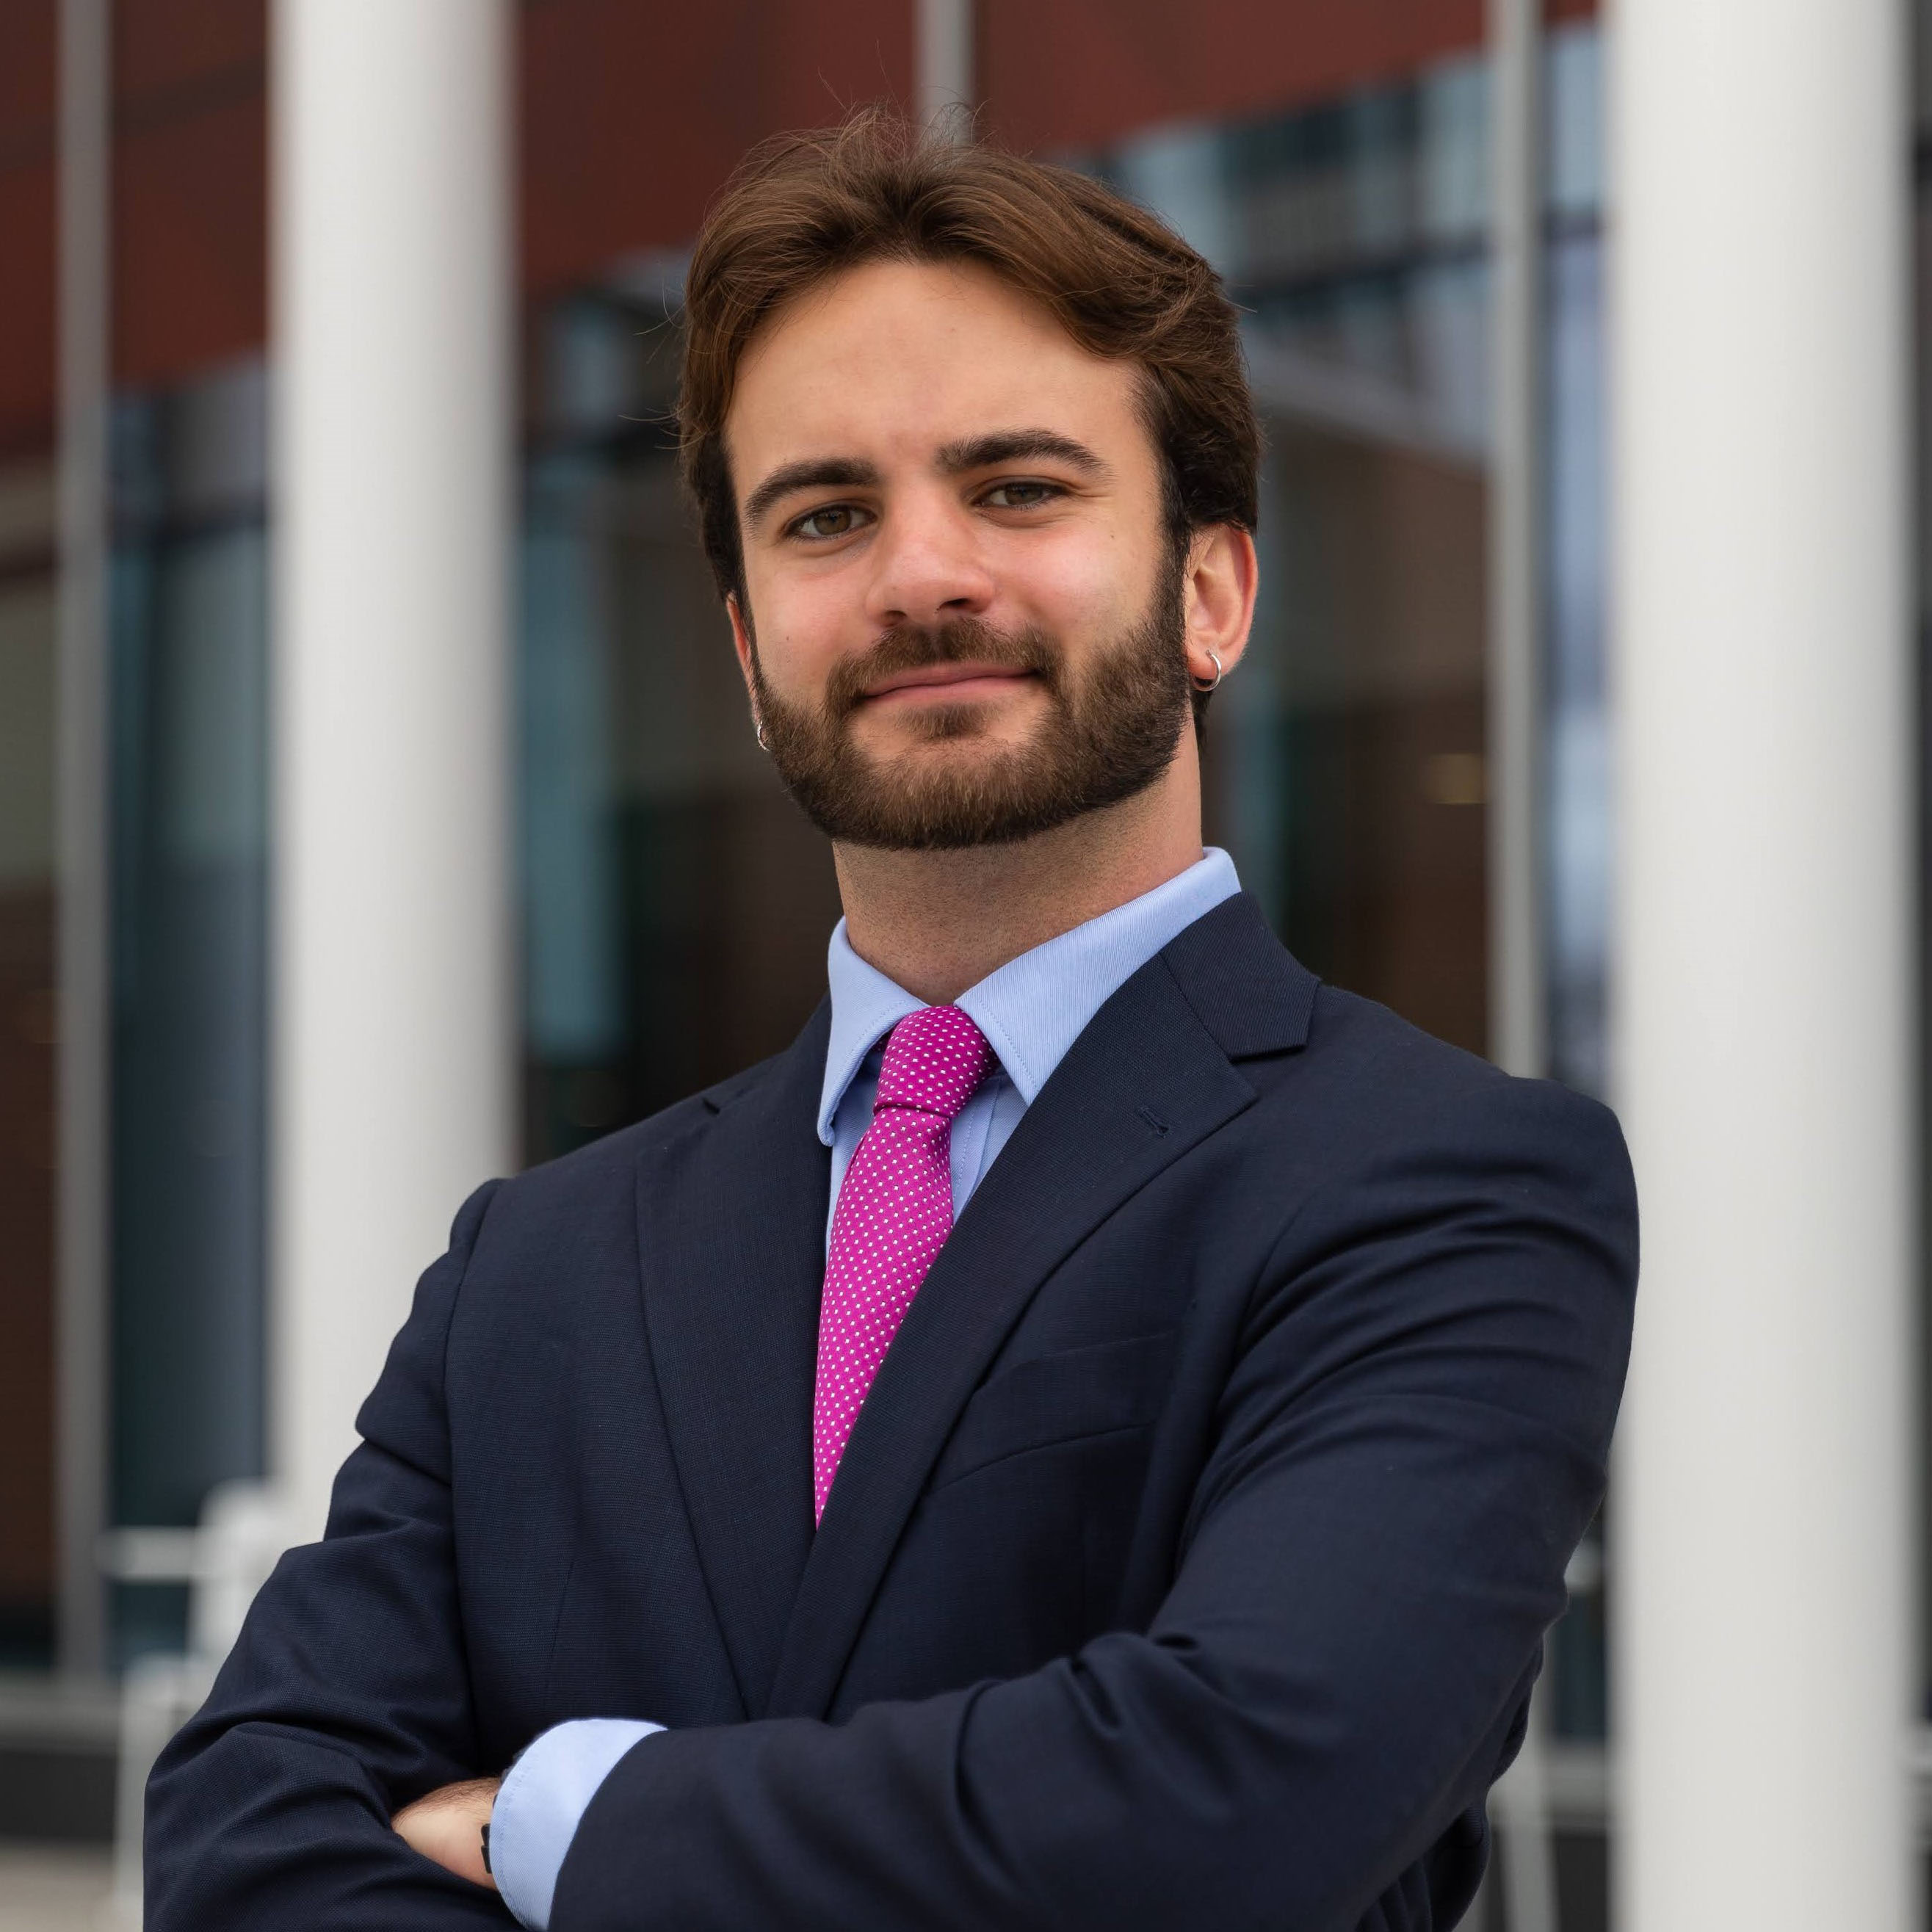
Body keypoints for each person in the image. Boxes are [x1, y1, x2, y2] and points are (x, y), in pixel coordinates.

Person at [147, 110, 1636, 1932]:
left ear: (1210, 591)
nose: (924, 573)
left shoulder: (1443, 1186)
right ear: (747, 647)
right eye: (827, 513)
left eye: (1017, 486)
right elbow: (241, 1829)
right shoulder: (531, 1265)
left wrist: (569, 1811)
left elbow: (1227, 1801)